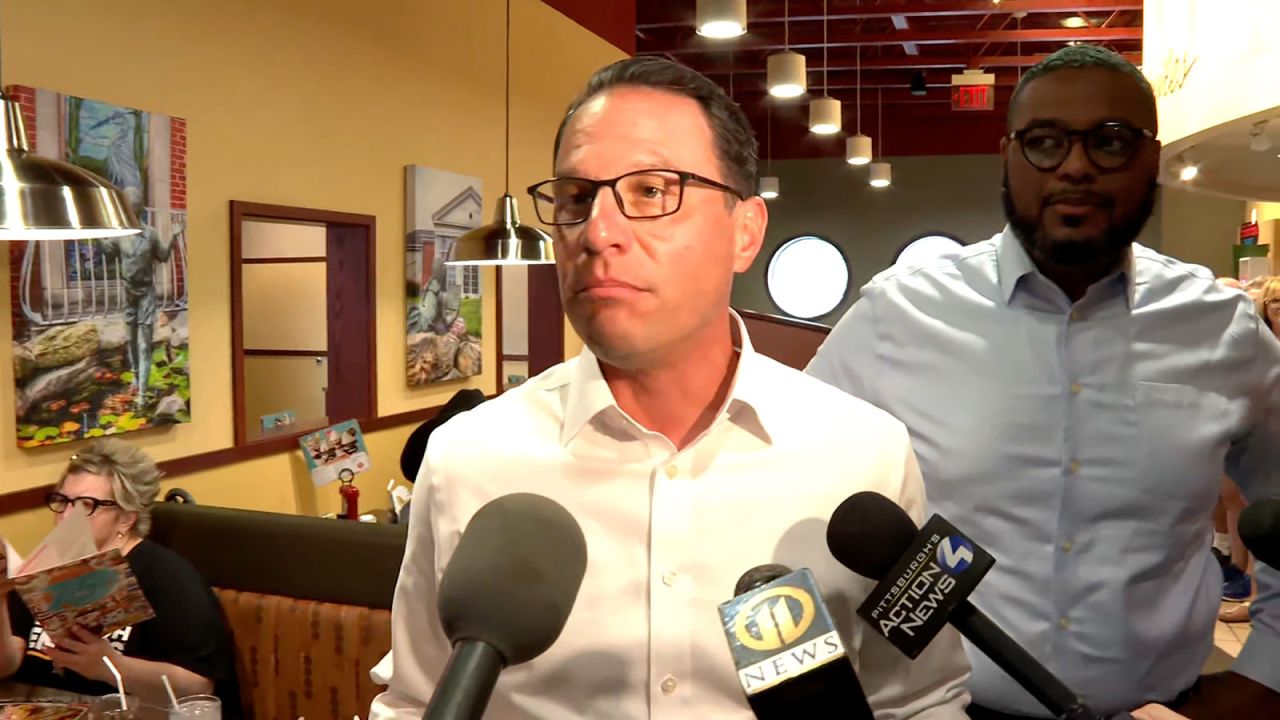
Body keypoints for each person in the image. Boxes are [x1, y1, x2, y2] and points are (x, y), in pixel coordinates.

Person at [370, 56, 971, 719]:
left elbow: (918, 701)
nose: (598, 233)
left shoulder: (867, 454)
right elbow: (417, 699)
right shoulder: (466, 459)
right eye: (575, 198)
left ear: (745, 232)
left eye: (653, 191)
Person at [806, 45, 1280, 720]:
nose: (1076, 166)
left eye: (1110, 142)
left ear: (1153, 159)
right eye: (1045, 142)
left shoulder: (1222, 330)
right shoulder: (895, 316)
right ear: (1008, 157)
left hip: (1164, 708)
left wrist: (1263, 678)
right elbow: (788, 491)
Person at [0, 439, 241, 715]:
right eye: (62, 501)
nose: (67, 516)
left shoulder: (166, 578)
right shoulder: (47, 567)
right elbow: (6, 665)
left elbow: (197, 688)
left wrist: (109, 666)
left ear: (126, 518)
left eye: (87, 504)